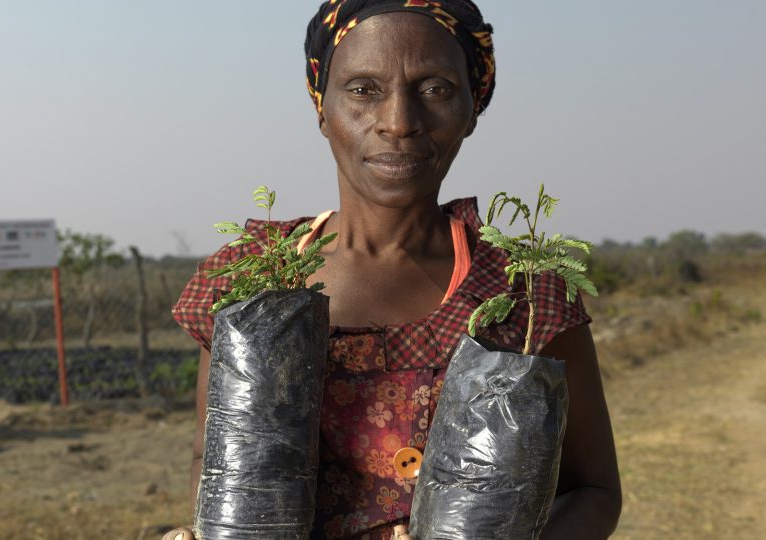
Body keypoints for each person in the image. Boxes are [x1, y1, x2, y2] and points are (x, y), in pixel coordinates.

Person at [165, 1, 621, 538]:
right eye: (363, 89)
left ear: (472, 109)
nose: (399, 121)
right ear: (321, 106)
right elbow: (212, 461)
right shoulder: (253, 279)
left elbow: (592, 492)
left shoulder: (524, 291)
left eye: (436, 89)